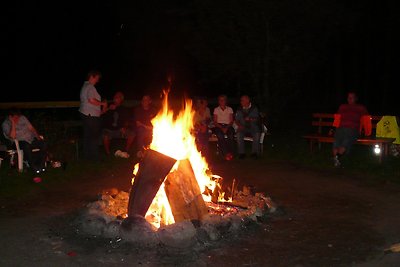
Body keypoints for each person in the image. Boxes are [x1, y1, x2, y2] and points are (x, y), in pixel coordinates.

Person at [2, 108, 47, 173]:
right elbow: (12, 136)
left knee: (43, 144)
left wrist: (38, 137)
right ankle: (33, 167)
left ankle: (41, 166)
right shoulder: (5, 124)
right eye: (15, 118)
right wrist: (13, 124)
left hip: (30, 139)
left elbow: (31, 128)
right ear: (10, 117)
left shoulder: (22, 118)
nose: (17, 119)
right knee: (26, 145)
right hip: (18, 142)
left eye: (18, 117)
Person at [332, 91, 368, 167]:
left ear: (356, 99)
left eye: (352, 97)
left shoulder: (360, 108)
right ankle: (337, 160)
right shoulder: (343, 107)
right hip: (341, 128)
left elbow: (366, 119)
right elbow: (337, 118)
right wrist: (333, 128)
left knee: (347, 139)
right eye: (348, 97)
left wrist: (366, 131)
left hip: (352, 129)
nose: (350, 99)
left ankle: (337, 158)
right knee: (336, 141)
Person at [79, 70, 107, 161]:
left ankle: (88, 157)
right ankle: (95, 157)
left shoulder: (85, 86)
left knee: (87, 136)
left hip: (85, 114)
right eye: (97, 78)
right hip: (90, 116)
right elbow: (91, 100)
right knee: (94, 136)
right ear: (92, 76)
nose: (97, 80)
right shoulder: (90, 87)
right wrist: (103, 103)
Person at [102, 91, 135, 156]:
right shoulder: (109, 106)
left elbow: (127, 120)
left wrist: (124, 127)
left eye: (117, 97)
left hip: (119, 130)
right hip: (109, 130)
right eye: (115, 97)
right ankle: (108, 153)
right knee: (105, 136)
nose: (115, 98)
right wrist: (108, 108)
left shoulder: (123, 109)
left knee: (132, 134)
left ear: (121, 99)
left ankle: (126, 150)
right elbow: (101, 115)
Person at [235, 95, 261, 159]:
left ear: (248, 100)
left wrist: (250, 119)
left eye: (242, 100)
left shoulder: (254, 108)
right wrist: (240, 125)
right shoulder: (239, 109)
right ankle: (241, 153)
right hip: (243, 127)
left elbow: (257, 119)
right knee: (238, 134)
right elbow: (236, 120)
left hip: (253, 126)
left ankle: (254, 153)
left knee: (257, 133)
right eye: (241, 100)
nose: (241, 102)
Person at [213, 95, 235, 160]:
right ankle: (225, 153)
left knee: (230, 135)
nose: (222, 101)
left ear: (226, 101)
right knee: (220, 135)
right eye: (220, 100)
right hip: (219, 125)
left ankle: (230, 152)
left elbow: (231, 121)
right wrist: (222, 128)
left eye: (223, 100)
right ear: (218, 101)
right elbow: (215, 122)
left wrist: (226, 127)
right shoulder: (216, 109)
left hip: (228, 125)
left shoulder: (230, 109)